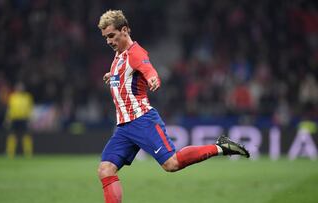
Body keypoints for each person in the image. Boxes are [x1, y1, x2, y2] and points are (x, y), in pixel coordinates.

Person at [97, 10, 250, 203]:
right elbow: (128, 77)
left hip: (142, 120)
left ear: (125, 30)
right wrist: (112, 77)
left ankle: (221, 147)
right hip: (124, 127)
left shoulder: (135, 53)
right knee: (105, 169)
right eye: (105, 37)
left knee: (172, 164)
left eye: (111, 35)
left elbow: (148, 69)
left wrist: (153, 78)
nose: (109, 41)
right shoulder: (119, 56)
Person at [5, 81, 34, 159]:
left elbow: (30, 109)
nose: (20, 88)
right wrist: (8, 119)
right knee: (12, 136)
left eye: (21, 87)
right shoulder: (12, 97)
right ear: (16, 88)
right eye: (18, 87)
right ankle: (10, 153)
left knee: (26, 136)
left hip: (24, 119)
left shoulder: (27, 97)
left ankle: (28, 153)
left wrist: (30, 119)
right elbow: (9, 109)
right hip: (14, 118)